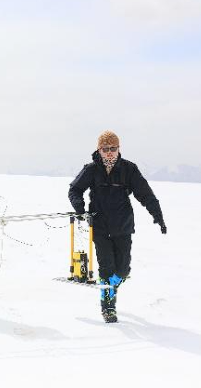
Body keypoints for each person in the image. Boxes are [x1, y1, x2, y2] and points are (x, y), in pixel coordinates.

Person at [68, 131, 166, 323]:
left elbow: (145, 194)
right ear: (99, 150)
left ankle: (112, 285)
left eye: (113, 148)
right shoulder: (91, 169)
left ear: (118, 149)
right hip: (100, 227)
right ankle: (108, 307)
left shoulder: (129, 169)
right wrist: (79, 207)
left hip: (123, 226)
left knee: (123, 270)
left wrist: (158, 215)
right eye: (105, 149)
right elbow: (75, 189)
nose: (109, 152)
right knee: (107, 267)